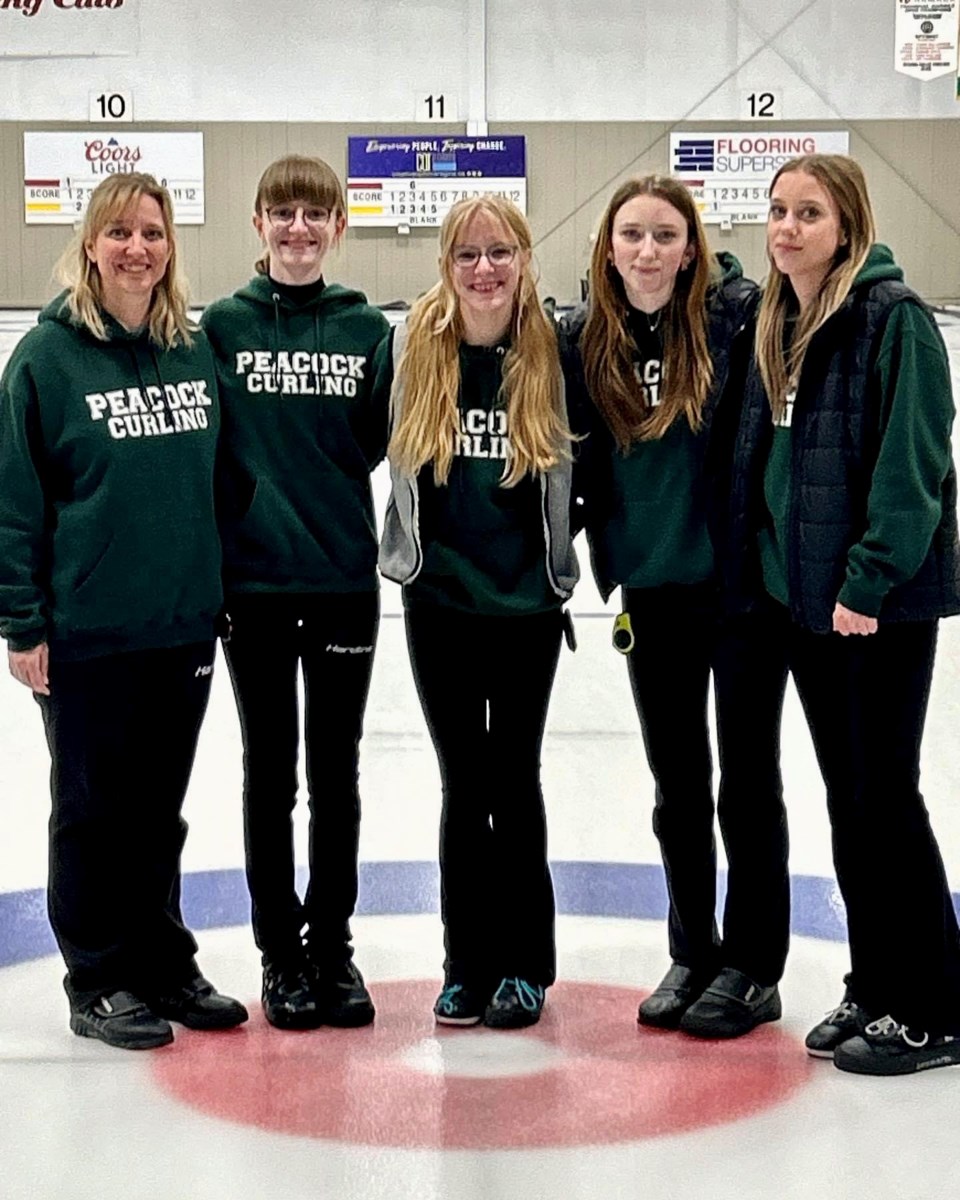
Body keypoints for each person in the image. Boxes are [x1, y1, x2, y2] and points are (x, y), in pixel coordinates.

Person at [0, 173, 247, 1050]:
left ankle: (161, 960)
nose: (137, 248)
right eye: (119, 233)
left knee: (158, 808)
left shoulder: (191, 350)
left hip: (180, 623)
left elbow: (221, 483)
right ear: (91, 245)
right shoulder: (46, 359)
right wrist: (22, 623)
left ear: (170, 245)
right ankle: (98, 976)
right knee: (91, 808)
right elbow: (16, 500)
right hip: (86, 632)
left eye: (152, 232)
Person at [725, 153, 960, 1074]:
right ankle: (876, 982)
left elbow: (914, 473)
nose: (786, 229)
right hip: (804, 605)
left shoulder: (892, 320)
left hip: (876, 607)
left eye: (809, 213)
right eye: (779, 211)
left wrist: (866, 583)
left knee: (887, 799)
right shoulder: (778, 319)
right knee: (850, 803)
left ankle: (936, 1004)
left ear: (847, 225)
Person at [561, 176, 781, 1039]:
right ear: (608, 249)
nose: (647, 251)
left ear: (691, 246)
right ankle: (693, 951)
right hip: (651, 594)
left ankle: (752, 968)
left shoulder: (736, 320)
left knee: (748, 784)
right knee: (678, 787)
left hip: (736, 592)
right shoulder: (584, 339)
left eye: (664, 235)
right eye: (631, 236)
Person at [379, 195, 578, 1029]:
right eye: (467, 255)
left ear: (525, 259)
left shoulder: (553, 351)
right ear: (446, 266)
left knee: (515, 780)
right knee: (464, 786)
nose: (485, 269)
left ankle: (525, 965)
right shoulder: (413, 347)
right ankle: (467, 964)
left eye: (500, 252)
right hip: (441, 604)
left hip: (526, 607)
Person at [201, 155, 389, 1030]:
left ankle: (334, 949)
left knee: (337, 773)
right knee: (269, 773)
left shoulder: (364, 330)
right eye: (284, 213)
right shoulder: (224, 329)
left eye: (317, 214)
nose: (300, 229)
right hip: (258, 590)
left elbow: (380, 440)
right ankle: (281, 954)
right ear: (258, 224)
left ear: (339, 226)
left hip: (344, 583)